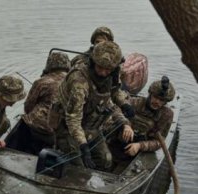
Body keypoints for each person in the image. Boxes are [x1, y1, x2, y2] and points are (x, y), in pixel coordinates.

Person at [53, 41, 134, 170]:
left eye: (107, 69)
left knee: (106, 160)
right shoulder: (79, 81)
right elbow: (72, 119)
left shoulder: (112, 75)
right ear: (93, 62)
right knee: (78, 166)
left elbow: (111, 96)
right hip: (67, 127)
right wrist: (83, 145)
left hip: (91, 125)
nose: (102, 73)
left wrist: (124, 105)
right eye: (99, 67)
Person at [108, 76, 175, 161]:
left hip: (141, 146)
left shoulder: (166, 115)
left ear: (165, 102)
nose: (157, 102)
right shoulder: (136, 102)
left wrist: (139, 146)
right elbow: (116, 110)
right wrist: (126, 124)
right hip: (120, 141)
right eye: (155, 97)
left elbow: (158, 142)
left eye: (161, 100)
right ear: (150, 94)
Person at [20, 52, 71, 154]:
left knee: (25, 121)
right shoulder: (74, 81)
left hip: (40, 128)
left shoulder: (42, 82)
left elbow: (28, 106)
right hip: (64, 130)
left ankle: (30, 150)